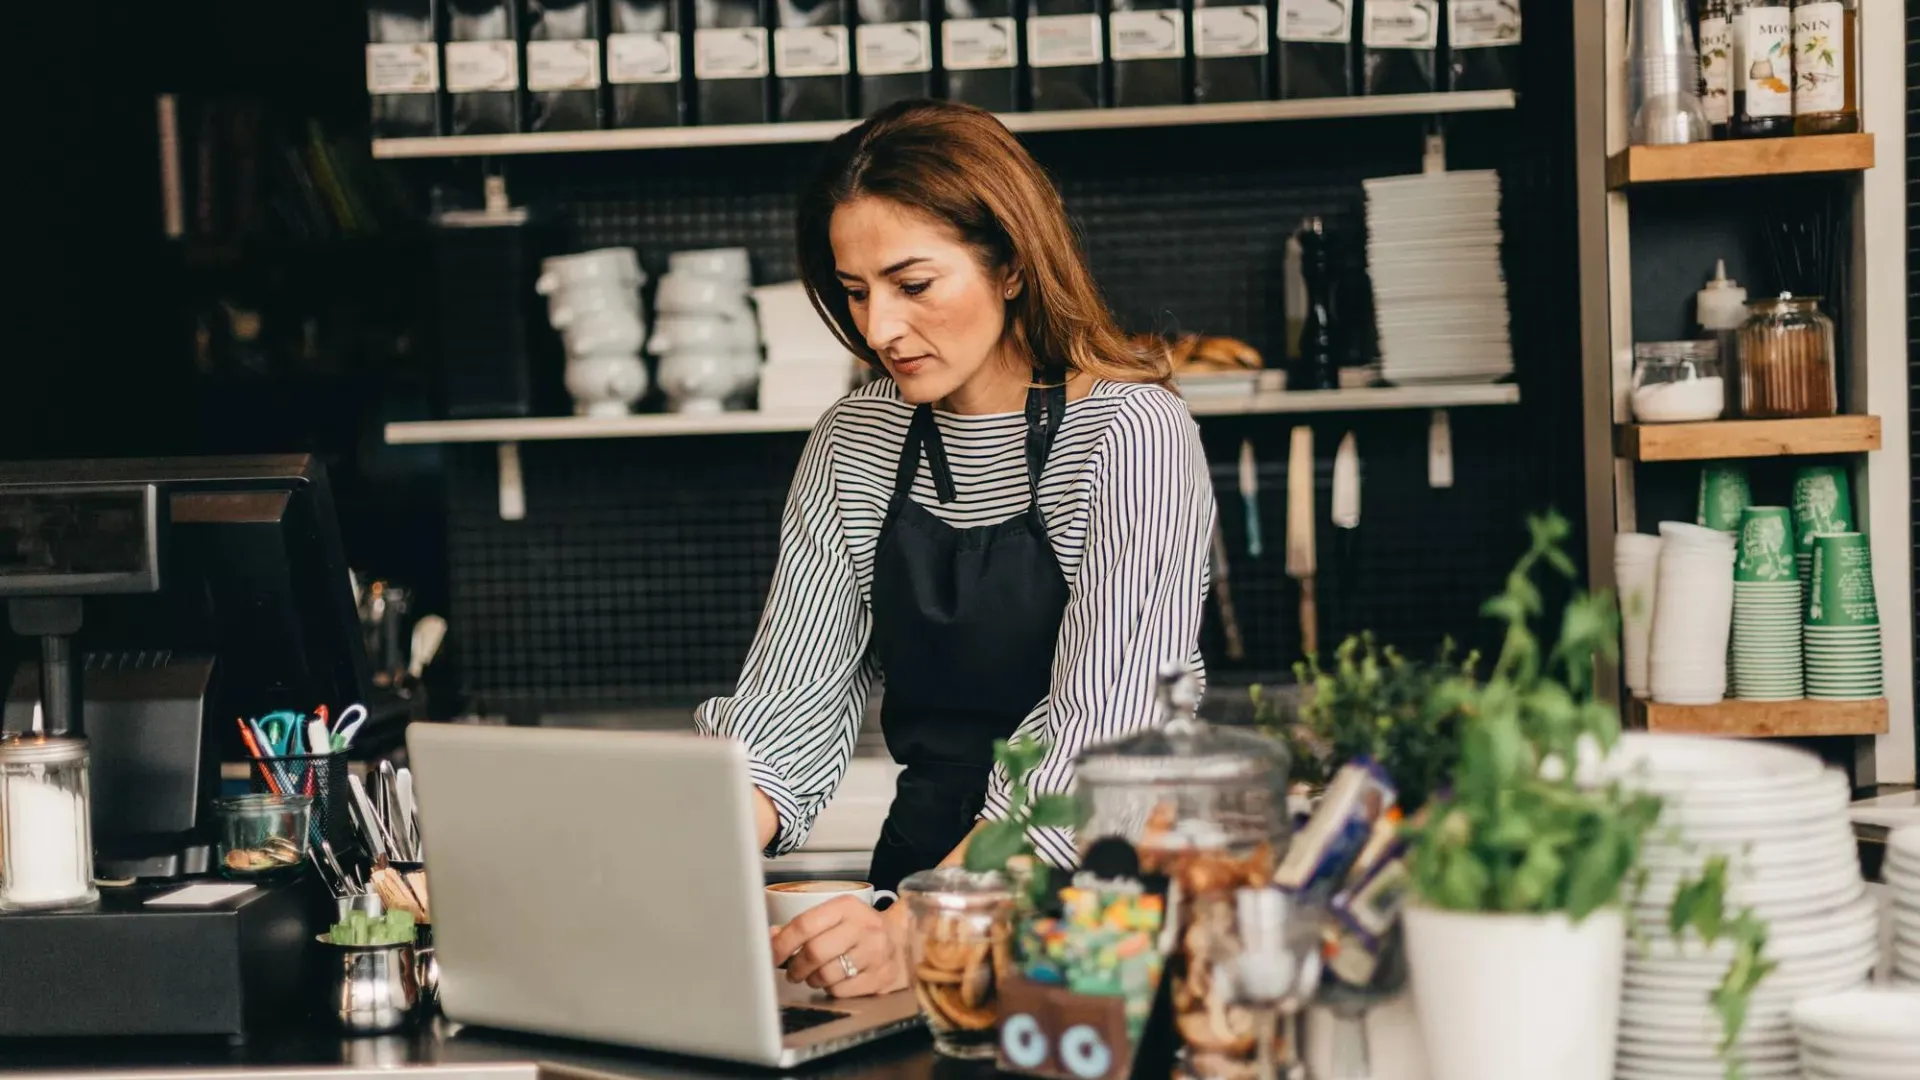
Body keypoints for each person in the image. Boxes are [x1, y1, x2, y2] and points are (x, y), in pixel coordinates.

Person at [694, 99, 1216, 1000]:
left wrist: (941, 918)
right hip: (917, 888)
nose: (879, 329)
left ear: (1010, 262)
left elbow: (1106, 741)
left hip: (1088, 914)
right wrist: (656, 860)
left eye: (912, 284)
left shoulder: (1130, 434)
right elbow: (789, 709)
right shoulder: (853, 444)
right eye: (855, 292)